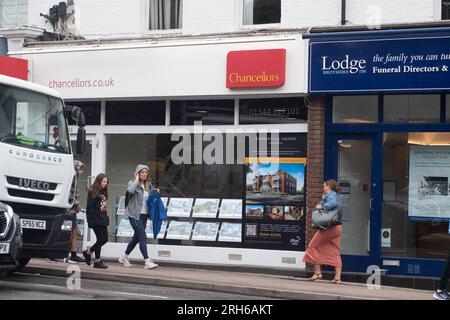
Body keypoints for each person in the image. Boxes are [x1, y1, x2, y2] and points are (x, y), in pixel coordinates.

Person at [303, 179, 343, 284]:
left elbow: (332, 204)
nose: (323, 188)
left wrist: (322, 206)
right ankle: (337, 278)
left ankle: (317, 273)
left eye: (324, 186)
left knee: (313, 247)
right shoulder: (332, 195)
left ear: (329, 186)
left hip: (329, 228)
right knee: (335, 251)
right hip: (337, 227)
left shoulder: (331, 195)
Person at [119, 164, 158, 269]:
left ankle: (124, 256)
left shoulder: (149, 185)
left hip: (144, 215)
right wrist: (136, 180)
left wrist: (155, 192)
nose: (144, 174)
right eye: (142, 172)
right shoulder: (132, 183)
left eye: (146, 172)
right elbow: (130, 191)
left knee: (136, 238)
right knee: (142, 236)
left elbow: (151, 197)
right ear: (138, 173)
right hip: (134, 215)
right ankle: (147, 261)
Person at [83, 173, 110, 269]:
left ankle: (88, 252)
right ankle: (97, 261)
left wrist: (105, 217)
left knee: (104, 239)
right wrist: (90, 220)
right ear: (99, 181)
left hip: (103, 219)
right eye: (103, 181)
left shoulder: (104, 191)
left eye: (106, 182)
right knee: (100, 239)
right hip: (95, 219)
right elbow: (89, 207)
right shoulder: (93, 191)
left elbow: (103, 206)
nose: (105, 183)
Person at [67, 160, 86, 264]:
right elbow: (72, 193)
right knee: (73, 232)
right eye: (80, 168)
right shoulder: (73, 179)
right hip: (70, 209)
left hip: (71, 209)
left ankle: (72, 254)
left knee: (74, 231)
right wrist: (77, 204)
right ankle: (72, 255)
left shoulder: (73, 178)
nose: (82, 171)